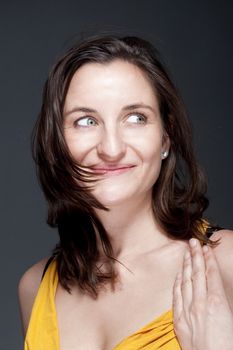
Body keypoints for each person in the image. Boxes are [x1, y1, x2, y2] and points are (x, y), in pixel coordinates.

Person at [18, 33, 233, 350]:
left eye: (136, 118)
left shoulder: (224, 261)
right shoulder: (34, 288)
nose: (111, 148)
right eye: (86, 121)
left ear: (165, 138)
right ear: (57, 142)